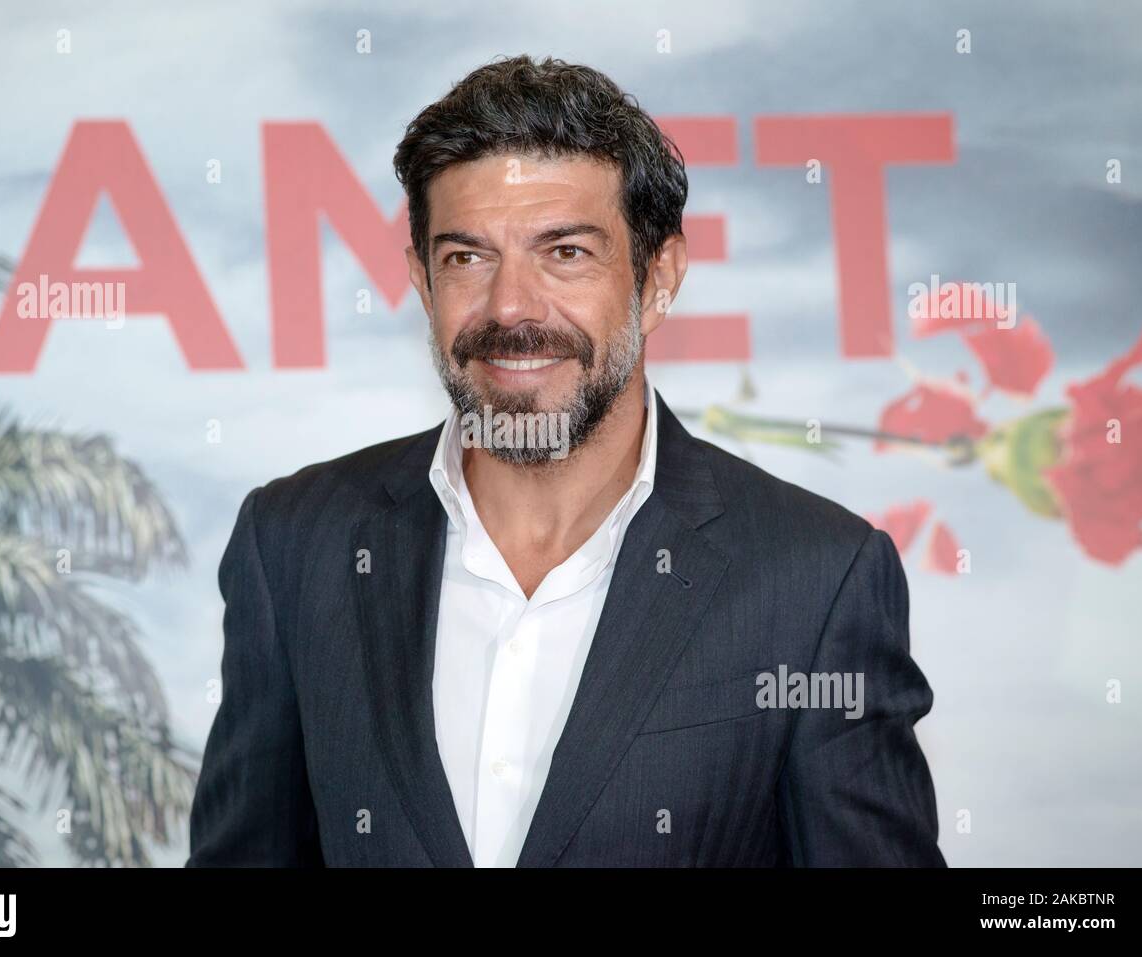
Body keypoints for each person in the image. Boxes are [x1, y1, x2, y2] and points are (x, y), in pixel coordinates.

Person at [186, 54, 946, 867]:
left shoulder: (815, 578)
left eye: (566, 253)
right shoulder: (296, 544)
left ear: (658, 280)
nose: (510, 306)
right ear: (419, 279)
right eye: (466, 257)